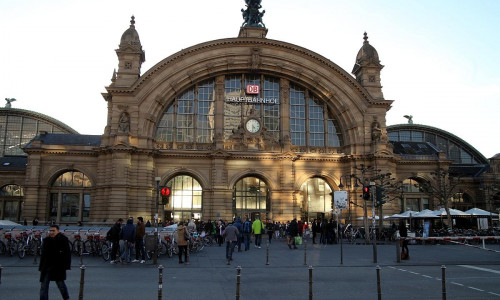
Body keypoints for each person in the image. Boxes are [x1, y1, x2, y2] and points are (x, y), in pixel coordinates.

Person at [39, 224, 71, 300]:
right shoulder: (46, 240)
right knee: (44, 286)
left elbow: (67, 254)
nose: (51, 232)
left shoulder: (63, 239)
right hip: (47, 267)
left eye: (53, 231)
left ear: (57, 231)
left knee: (61, 285)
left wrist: (66, 266)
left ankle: (66, 298)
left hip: (58, 267)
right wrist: (41, 267)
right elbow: (43, 255)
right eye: (50, 231)